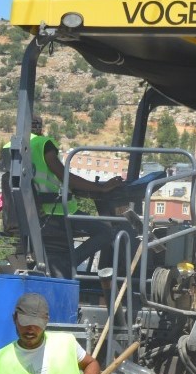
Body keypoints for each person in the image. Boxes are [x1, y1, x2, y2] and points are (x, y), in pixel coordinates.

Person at [18, 116, 125, 279]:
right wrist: (101, 188)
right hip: (55, 212)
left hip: (26, 214)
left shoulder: (10, 145)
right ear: (40, 129)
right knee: (106, 232)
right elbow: (66, 178)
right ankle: (69, 262)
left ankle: (64, 262)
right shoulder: (43, 144)